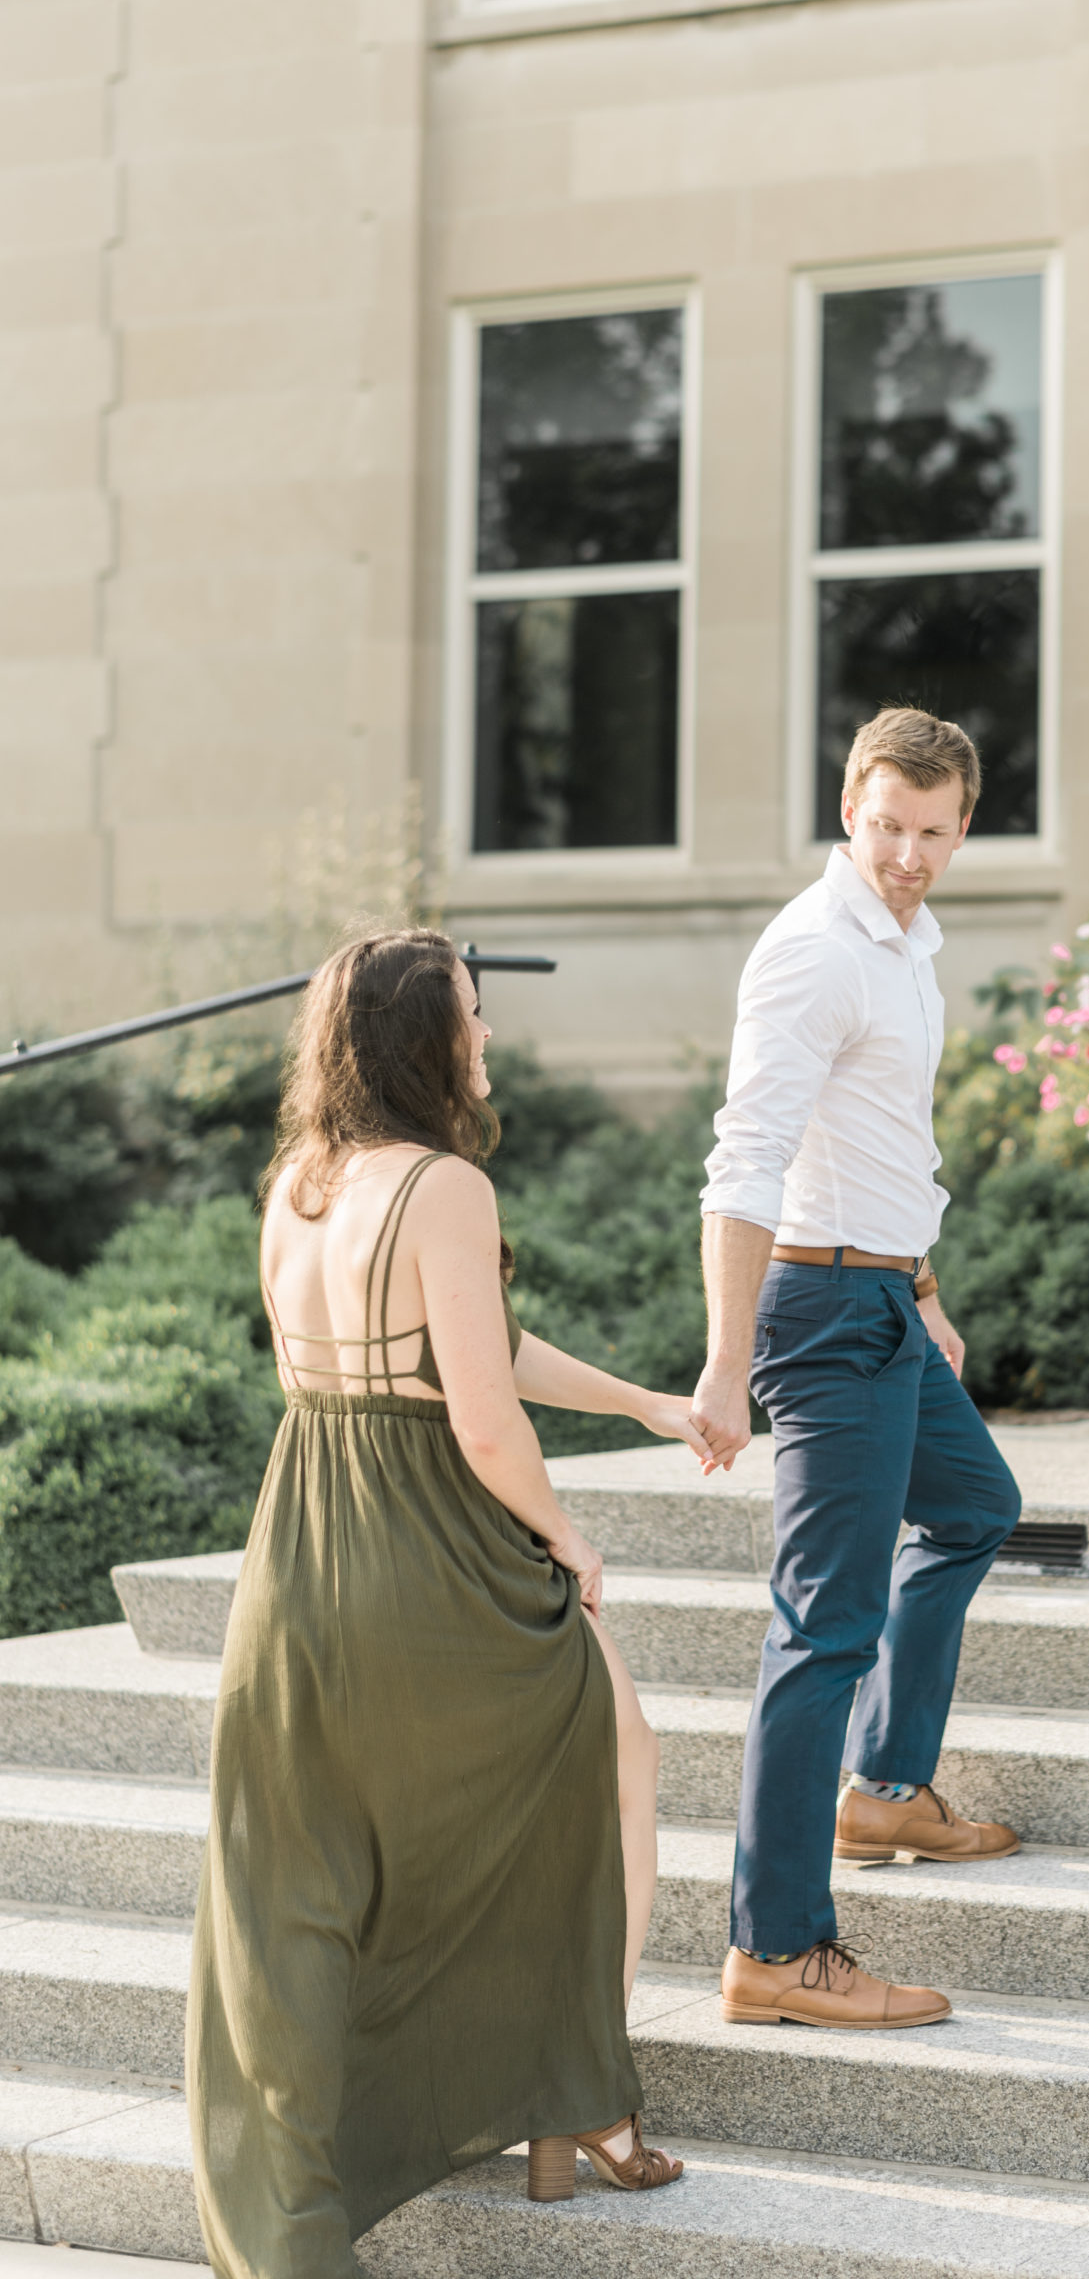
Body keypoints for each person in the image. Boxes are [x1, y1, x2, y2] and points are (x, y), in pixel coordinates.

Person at [189, 927, 705, 2279]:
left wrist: (640, 1400)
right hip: (432, 1552)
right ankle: (583, 2097)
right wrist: (572, 1539)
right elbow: (480, 1422)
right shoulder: (448, 1188)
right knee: (619, 1764)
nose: (484, 1037)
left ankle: (304, 2213)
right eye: (471, 1016)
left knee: (313, 1877)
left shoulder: (297, 1182)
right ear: (429, 1042)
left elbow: (465, 1344)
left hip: (301, 1553)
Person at [691, 707, 1024, 2031]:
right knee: (821, 1626)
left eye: (932, 833)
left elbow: (878, 1137)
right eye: (886, 827)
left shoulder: (908, 946)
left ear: (959, 828)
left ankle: (886, 1791)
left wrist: (925, 1286)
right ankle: (775, 1949)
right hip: (819, 1313)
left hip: (883, 1297)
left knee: (974, 1508)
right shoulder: (813, 953)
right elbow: (749, 1154)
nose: (906, 854)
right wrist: (727, 1365)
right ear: (848, 809)